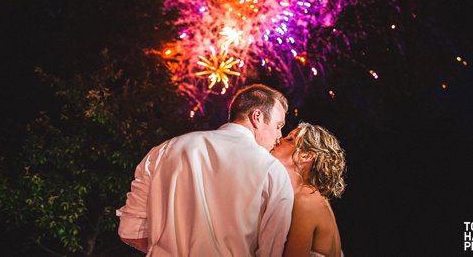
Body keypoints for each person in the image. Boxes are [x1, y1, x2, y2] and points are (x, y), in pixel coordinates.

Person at [117, 83, 295, 256]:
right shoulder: (273, 170)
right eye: (278, 126)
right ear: (257, 117)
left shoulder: (164, 150)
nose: (279, 136)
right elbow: (272, 251)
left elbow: (131, 231)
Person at [270, 123, 346, 257]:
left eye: (289, 140)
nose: (279, 139)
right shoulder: (309, 196)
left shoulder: (306, 201)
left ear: (305, 156)